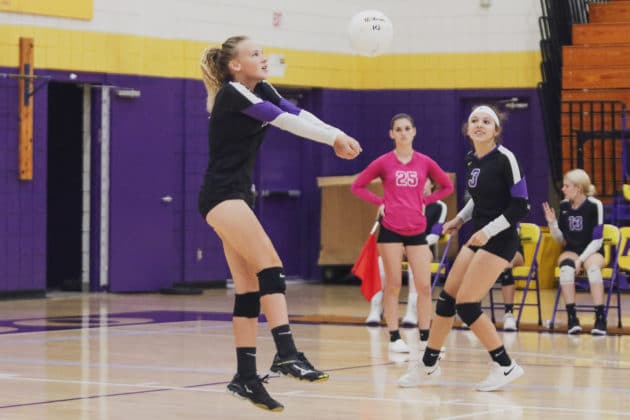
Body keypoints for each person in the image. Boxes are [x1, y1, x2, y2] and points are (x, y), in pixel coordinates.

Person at [198, 36, 362, 412]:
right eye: (254, 54)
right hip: (222, 196)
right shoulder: (234, 94)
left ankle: (245, 377)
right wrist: (334, 138)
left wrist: (335, 135)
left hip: (237, 195)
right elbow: (283, 121)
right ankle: (287, 352)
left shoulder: (260, 88)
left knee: (248, 289)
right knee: (271, 267)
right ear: (235, 65)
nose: (264, 57)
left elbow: (297, 113)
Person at [398, 105, 528, 391]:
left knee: (467, 305)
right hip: (477, 235)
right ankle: (429, 365)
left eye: (486, 121)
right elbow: (478, 200)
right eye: (474, 121)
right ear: (467, 130)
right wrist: (459, 219)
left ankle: (505, 365)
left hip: (501, 238)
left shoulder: (506, 158)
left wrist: (488, 230)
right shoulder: (471, 160)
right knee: (446, 300)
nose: (479, 125)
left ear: (496, 130)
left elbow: (521, 205)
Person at [351, 113, 454, 353]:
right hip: (390, 230)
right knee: (394, 284)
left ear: (414, 132)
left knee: (424, 286)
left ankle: (426, 336)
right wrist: (381, 201)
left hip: (417, 230)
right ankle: (395, 337)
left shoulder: (424, 162)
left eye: (407, 128)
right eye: (398, 129)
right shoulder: (384, 162)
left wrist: (426, 200)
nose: (403, 133)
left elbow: (447, 186)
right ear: (392, 134)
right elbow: (357, 186)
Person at [365, 178, 448, 329]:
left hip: (422, 247)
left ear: (432, 184)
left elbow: (435, 235)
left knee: (415, 266)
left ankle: (411, 312)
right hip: (400, 245)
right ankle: (375, 309)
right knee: (381, 263)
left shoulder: (440, 206)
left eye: (425, 181)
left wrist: (414, 244)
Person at [542, 169, 606, 335]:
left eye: (566, 186)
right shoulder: (564, 205)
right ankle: (572, 318)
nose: (562, 189)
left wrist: (581, 260)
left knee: (592, 268)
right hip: (571, 250)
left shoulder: (595, 205)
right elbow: (560, 240)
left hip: (592, 250)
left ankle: (600, 319)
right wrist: (552, 224)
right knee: (566, 268)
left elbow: (598, 240)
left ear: (578, 188)